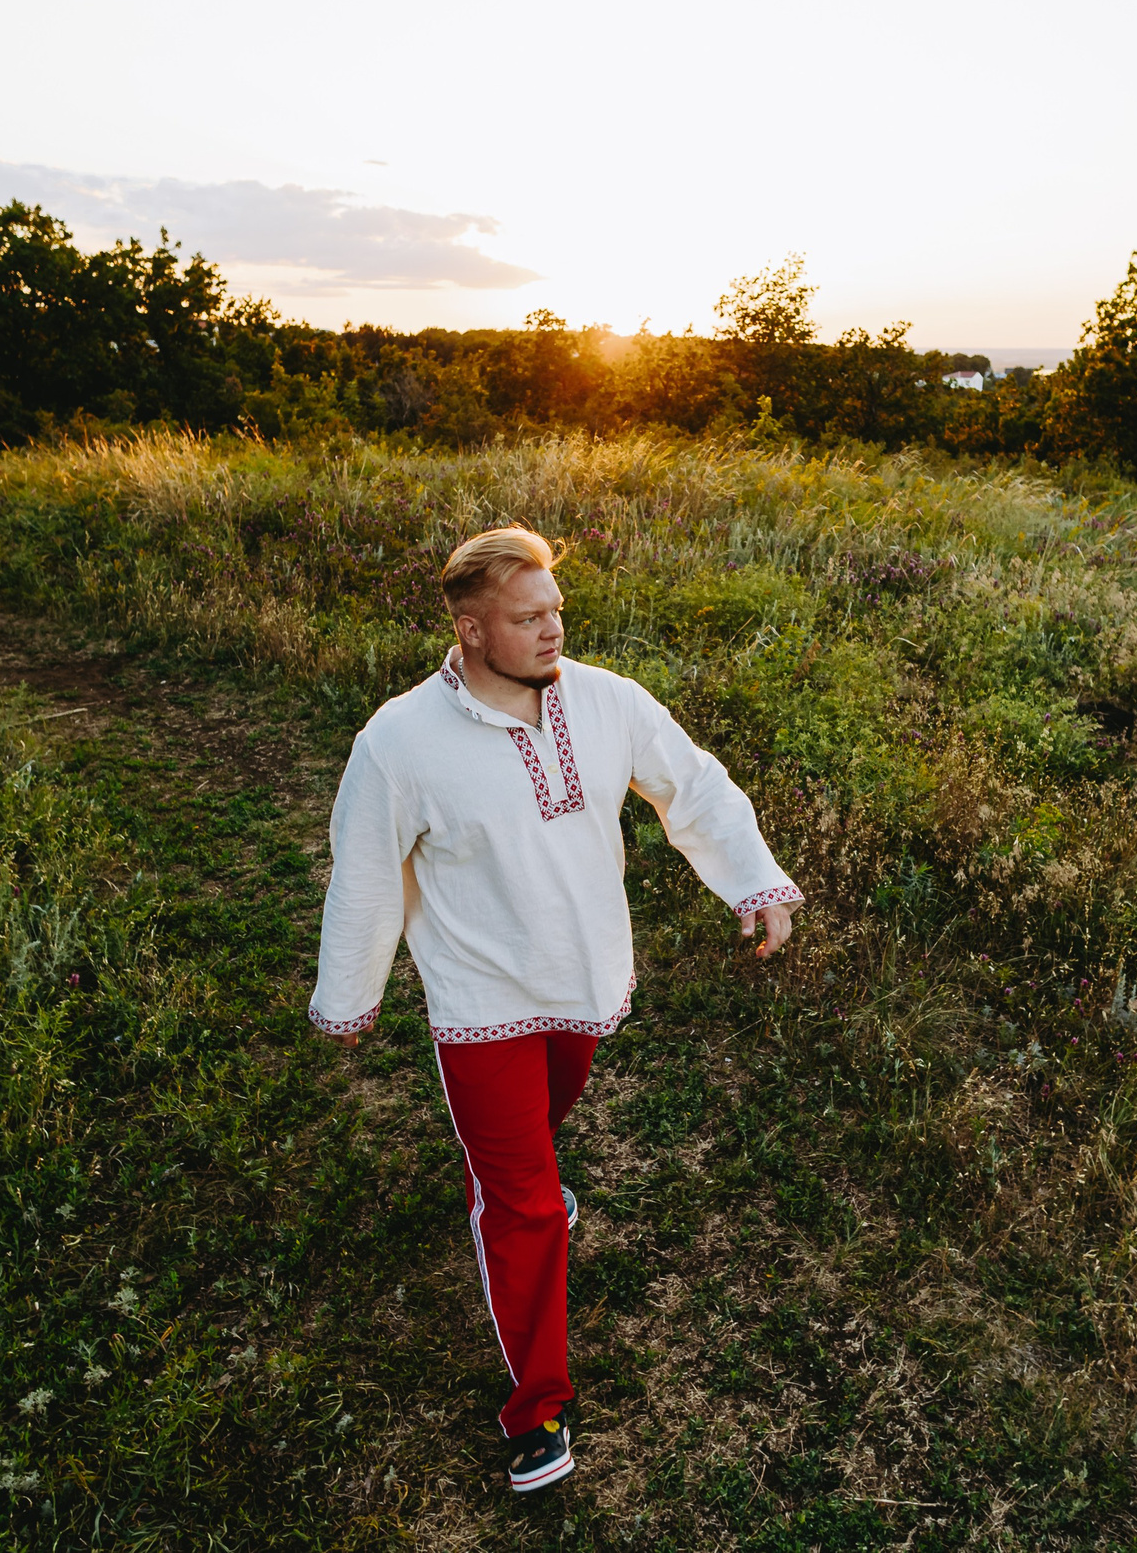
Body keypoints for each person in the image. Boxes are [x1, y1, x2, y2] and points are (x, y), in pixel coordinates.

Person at [308, 525, 801, 1493]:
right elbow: (364, 873)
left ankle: (510, 1180)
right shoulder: (398, 742)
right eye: (528, 618)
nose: (552, 631)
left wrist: (756, 882)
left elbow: (689, 785)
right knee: (528, 1203)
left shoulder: (607, 701)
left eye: (557, 611)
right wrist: (350, 993)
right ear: (470, 628)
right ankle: (537, 1410)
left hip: (582, 985)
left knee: (535, 1142)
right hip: (480, 1005)